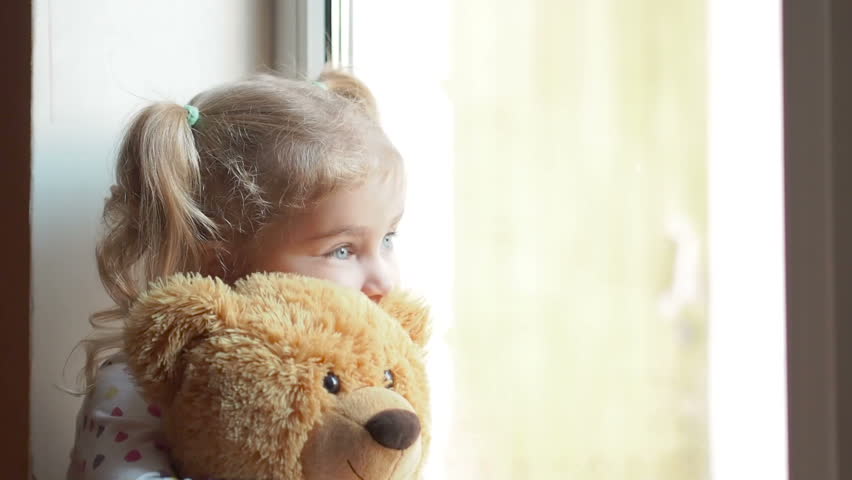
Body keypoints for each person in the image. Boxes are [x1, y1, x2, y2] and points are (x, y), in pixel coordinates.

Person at [67, 70, 406, 479]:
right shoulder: (137, 387)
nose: (383, 281)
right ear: (222, 265)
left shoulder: (367, 376)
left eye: (388, 238)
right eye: (342, 250)